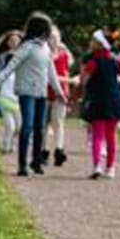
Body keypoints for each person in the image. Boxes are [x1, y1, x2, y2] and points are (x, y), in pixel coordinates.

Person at [0, 12, 65, 176]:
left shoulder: (45, 48)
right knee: (28, 126)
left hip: (41, 92)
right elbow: (11, 66)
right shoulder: (27, 47)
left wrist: (59, 92)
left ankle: (36, 161)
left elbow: (51, 72)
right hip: (27, 92)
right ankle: (22, 164)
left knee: (40, 128)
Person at [79, 29, 120, 179]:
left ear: (99, 44)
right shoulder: (117, 61)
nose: (90, 44)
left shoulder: (92, 62)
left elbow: (84, 82)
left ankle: (97, 165)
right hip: (114, 100)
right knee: (111, 135)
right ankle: (110, 168)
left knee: (97, 135)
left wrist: (79, 95)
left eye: (93, 41)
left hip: (98, 100)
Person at [45, 25, 75, 166]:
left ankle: (59, 149)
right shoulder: (44, 55)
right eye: (51, 37)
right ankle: (43, 150)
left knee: (58, 121)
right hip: (46, 91)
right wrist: (69, 81)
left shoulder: (64, 54)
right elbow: (51, 77)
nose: (54, 40)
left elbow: (68, 67)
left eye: (56, 38)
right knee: (44, 123)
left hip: (61, 92)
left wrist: (67, 87)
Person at [0, 29, 23, 155]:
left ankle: (11, 142)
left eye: (17, 40)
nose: (14, 43)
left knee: (19, 126)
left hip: (19, 95)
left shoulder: (25, 55)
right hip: (6, 94)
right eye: (11, 40)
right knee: (10, 126)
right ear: (7, 43)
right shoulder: (3, 57)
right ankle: (6, 146)